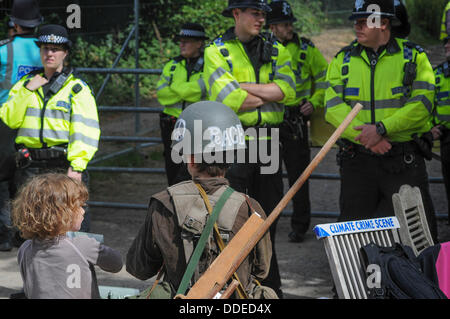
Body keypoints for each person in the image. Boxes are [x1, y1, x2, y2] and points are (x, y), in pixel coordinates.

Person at [126, 101, 274, 299]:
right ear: (230, 157)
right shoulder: (249, 208)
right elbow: (262, 270)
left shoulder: (163, 204)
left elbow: (139, 268)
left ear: (192, 159)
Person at [203, 0, 296, 298]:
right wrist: (268, 92)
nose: (261, 19)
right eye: (255, 13)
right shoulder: (216, 50)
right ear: (236, 14)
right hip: (234, 142)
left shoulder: (277, 49)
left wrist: (243, 86)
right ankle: (235, 289)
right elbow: (232, 100)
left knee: (268, 219)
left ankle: (269, 288)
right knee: (234, 220)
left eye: (264, 14)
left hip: (269, 141)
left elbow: (289, 91)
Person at [324, 0, 438, 241]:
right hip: (357, 163)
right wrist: (369, 138)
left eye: (365, 21)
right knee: (354, 238)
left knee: (416, 238)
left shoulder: (415, 57)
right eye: (356, 20)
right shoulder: (342, 60)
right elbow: (332, 107)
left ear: (384, 23)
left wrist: (382, 129)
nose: (357, 26)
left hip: (403, 164)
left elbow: (423, 104)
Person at [0, 24, 100, 234]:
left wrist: (78, 166)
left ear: (65, 52)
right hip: (31, 167)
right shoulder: (25, 84)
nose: (50, 53)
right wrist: (27, 91)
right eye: (45, 48)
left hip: (64, 165)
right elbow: (10, 119)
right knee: (33, 229)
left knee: (74, 227)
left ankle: (80, 266)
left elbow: (85, 131)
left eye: (55, 48)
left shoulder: (77, 89)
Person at [266, 0, 329, 243]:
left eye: (290, 23)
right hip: (268, 120)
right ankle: (263, 223)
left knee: (298, 176)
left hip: (295, 120)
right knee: (266, 175)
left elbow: (324, 77)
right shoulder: (259, 48)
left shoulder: (306, 49)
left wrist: (314, 101)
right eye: (283, 24)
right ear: (272, 27)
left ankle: (300, 226)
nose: (289, 28)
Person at [11, 173, 123, 299]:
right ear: (61, 213)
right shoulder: (83, 245)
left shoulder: (25, 249)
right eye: (79, 206)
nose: (83, 211)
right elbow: (116, 263)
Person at [0, 0, 43, 252]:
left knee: (2, 179)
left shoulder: (4, 49)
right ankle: (27, 232)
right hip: (37, 119)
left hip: (6, 119)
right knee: (27, 177)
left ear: (14, 24)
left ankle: (5, 235)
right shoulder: (45, 48)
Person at [157, 23, 209, 186]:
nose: (182, 45)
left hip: (198, 128)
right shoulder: (172, 65)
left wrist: (175, 88)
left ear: (199, 43)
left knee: (194, 174)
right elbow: (162, 95)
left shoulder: (210, 65)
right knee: (173, 173)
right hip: (171, 127)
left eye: (187, 41)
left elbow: (202, 89)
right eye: (180, 41)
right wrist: (188, 91)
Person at [431, 35, 450, 225]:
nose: (447, 45)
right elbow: (427, 104)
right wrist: (431, 127)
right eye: (446, 42)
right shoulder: (438, 75)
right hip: (447, 138)